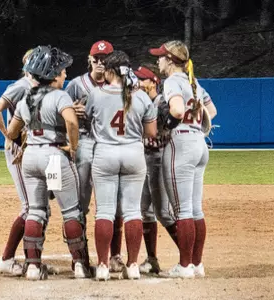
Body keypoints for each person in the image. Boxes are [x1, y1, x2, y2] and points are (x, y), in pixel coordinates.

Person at [7, 45, 92, 280]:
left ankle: (33, 266)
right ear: (52, 74)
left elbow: (13, 131)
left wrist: (25, 142)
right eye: (62, 71)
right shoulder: (60, 96)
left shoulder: (26, 98)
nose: (65, 74)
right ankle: (80, 266)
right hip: (54, 158)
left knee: (35, 210)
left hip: (32, 158)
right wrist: (72, 147)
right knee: (71, 211)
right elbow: (72, 124)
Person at [85, 50, 157, 281]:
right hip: (134, 153)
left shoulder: (96, 94)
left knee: (104, 211)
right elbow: (151, 132)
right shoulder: (142, 97)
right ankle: (133, 265)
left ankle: (104, 266)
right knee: (133, 211)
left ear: (110, 71)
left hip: (105, 152)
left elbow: (88, 119)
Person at [148, 40, 217, 279]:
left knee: (183, 210)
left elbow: (176, 110)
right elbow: (213, 111)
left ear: (170, 60)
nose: (158, 60)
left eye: (160, 57)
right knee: (196, 209)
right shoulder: (193, 82)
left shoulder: (172, 82)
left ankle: (185, 265)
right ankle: (196, 264)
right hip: (199, 142)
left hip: (181, 142)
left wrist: (170, 120)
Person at [65, 40, 125, 272]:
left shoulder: (118, 85)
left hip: (109, 144)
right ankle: (79, 258)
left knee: (113, 204)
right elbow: (62, 113)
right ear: (89, 59)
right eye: (96, 58)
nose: (100, 63)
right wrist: (72, 112)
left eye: (105, 59)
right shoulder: (76, 85)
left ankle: (115, 255)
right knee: (79, 204)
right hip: (83, 143)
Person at [0, 49, 36, 276]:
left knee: (39, 207)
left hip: (34, 150)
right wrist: (8, 136)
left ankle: (32, 261)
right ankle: (6, 259)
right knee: (29, 207)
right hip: (19, 151)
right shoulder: (21, 86)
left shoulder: (41, 87)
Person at [133, 64, 177, 275]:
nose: (138, 82)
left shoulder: (161, 102)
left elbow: (171, 122)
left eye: (142, 79)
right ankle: (152, 260)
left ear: (152, 82)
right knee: (145, 211)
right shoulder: (140, 101)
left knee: (163, 212)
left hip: (159, 158)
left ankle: (189, 258)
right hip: (144, 158)